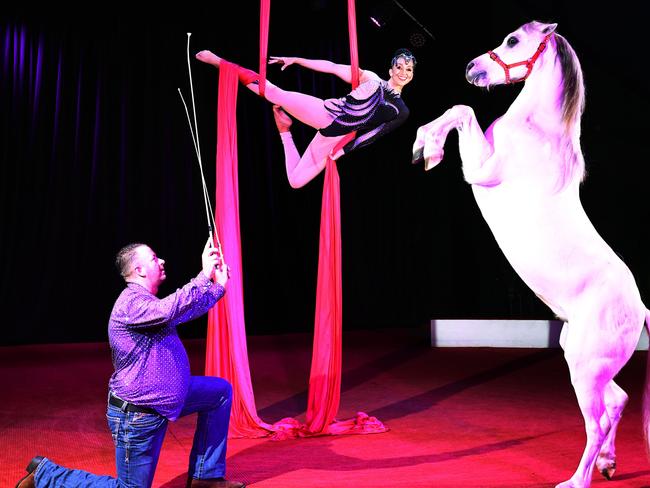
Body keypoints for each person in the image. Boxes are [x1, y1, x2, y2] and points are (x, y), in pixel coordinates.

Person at [16, 237, 245, 488]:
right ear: (139, 270)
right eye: (155, 258)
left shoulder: (147, 303)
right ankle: (44, 475)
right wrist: (203, 275)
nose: (162, 261)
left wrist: (218, 286)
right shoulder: (131, 304)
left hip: (165, 397)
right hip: (138, 413)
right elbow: (171, 309)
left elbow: (182, 310)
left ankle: (205, 477)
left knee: (219, 393)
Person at [195, 48, 416, 188]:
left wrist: (343, 151)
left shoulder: (401, 111)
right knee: (273, 93)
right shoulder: (371, 79)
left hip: (337, 138)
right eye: (399, 67)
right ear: (391, 69)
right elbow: (331, 67)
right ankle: (220, 62)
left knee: (296, 181)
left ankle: (285, 131)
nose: (403, 72)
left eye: (408, 69)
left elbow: (374, 135)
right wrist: (297, 60)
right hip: (327, 114)